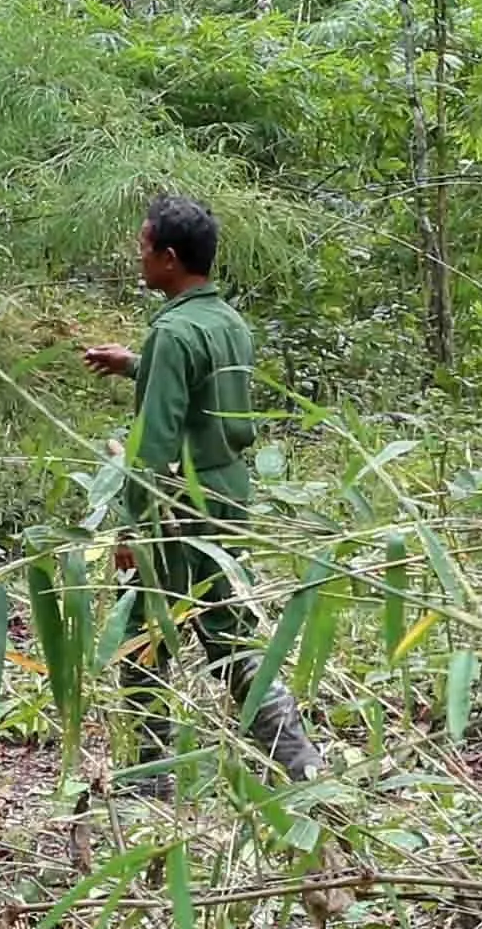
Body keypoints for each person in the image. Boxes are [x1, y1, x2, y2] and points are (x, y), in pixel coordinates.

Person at [81, 192, 323, 784]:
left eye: (142, 248)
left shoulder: (174, 334)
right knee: (222, 620)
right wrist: (136, 364)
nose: (137, 258)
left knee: (147, 631)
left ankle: (154, 773)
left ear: (167, 258)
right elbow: (203, 387)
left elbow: (156, 442)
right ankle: (300, 764)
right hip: (225, 493)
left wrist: (131, 527)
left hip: (179, 503)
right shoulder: (225, 322)